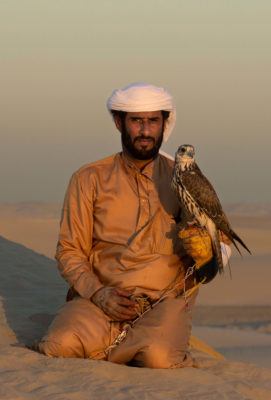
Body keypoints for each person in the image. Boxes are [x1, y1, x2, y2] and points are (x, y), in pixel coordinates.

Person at [38, 82, 229, 368]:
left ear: (165, 124)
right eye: (137, 121)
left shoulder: (185, 179)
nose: (145, 130)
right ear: (119, 122)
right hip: (100, 301)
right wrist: (98, 293)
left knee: (158, 358)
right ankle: (118, 344)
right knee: (59, 345)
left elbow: (220, 246)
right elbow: (69, 251)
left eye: (153, 121)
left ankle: (138, 345)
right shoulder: (89, 178)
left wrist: (208, 255)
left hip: (164, 302)